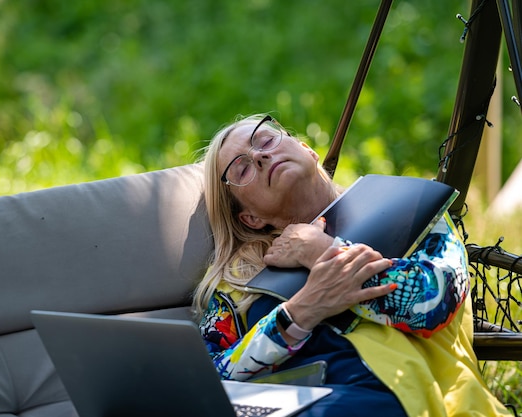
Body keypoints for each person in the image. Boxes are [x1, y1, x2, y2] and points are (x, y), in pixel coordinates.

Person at [193, 114, 511, 417]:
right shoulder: (238, 279)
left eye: (265, 140)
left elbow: (436, 301)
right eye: (242, 169)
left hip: (415, 400)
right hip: (301, 402)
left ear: (307, 149)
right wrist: (297, 315)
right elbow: (205, 377)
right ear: (251, 217)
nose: (260, 157)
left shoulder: (410, 208)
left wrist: (323, 252)